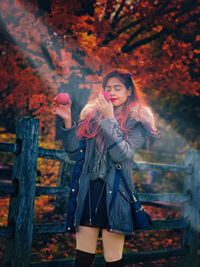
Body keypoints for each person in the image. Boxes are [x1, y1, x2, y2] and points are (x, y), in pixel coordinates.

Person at [51, 69, 157, 267]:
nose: (112, 92)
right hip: (89, 193)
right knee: (82, 259)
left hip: (116, 196)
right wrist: (67, 119)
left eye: (117, 88)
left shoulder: (138, 123)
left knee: (112, 260)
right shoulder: (92, 117)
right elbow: (74, 153)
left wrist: (109, 119)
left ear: (129, 91)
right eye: (108, 88)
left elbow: (121, 154)